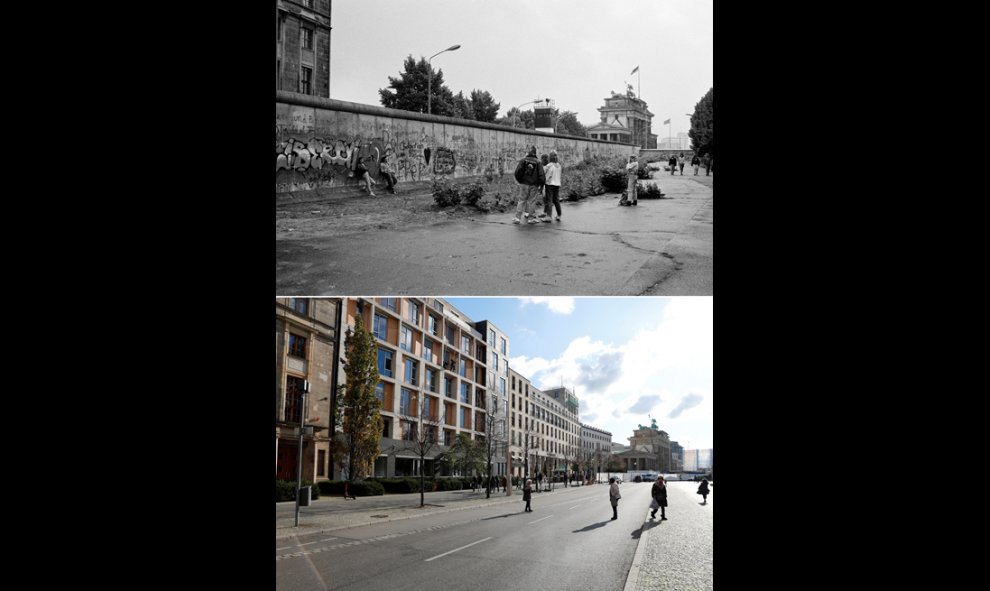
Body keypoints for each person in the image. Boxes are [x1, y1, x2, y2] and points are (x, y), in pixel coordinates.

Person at [513, 147, 546, 224]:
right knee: (531, 201)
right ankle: (531, 218)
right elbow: (541, 175)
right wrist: (541, 184)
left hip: (524, 184)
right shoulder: (538, 162)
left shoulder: (523, 160)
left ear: (528, 152)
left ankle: (517, 218)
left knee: (521, 200)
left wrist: (520, 180)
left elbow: (517, 172)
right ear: (535, 153)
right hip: (534, 185)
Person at [541, 151, 563, 221]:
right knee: (556, 200)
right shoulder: (559, 165)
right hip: (557, 184)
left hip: (549, 184)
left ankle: (549, 216)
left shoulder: (549, 165)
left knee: (549, 200)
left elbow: (542, 173)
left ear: (550, 157)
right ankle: (559, 215)